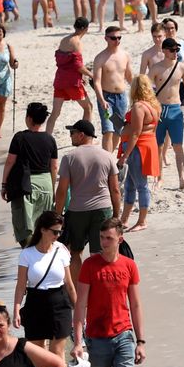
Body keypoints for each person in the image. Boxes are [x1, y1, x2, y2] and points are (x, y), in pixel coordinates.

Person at [73, 218, 145, 367]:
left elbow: (135, 304)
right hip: (97, 338)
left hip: (124, 334)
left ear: (119, 239)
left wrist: (141, 341)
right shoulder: (89, 266)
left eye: (109, 239)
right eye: (102, 238)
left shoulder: (129, 266)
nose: (103, 243)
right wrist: (77, 341)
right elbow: (80, 304)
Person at [13, 210, 77, 367]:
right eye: (55, 232)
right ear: (42, 230)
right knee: (35, 357)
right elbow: (21, 285)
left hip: (60, 303)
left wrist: (79, 311)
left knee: (58, 356)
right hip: (35, 304)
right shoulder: (27, 254)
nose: (58, 236)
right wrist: (15, 308)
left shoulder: (61, 251)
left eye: (60, 232)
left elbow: (68, 284)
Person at [54, 119, 120, 284]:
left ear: (81, 135)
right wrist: (116, 215)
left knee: (75, 252)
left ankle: (77, 290)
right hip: (102, 209)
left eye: (72, 133)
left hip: (77, 210)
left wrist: (57, 214)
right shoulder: (107, 156)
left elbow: (62, 190)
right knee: (99, 252)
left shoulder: (69, 157)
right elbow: (115, 190)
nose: (71, 136)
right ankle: (99, 286)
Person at [2, 103, 59, 245]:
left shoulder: (20, 137)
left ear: (28, 118)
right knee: (44, 226)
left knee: (25, 228)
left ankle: (31, 257)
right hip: (46, 183)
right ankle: (43, 255)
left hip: (26, 185)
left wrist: (4, 184)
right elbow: (54, 167)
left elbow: (10, 162)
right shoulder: (50, 139)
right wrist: (52, 189)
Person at [148, 38, 184, 189]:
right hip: (160, 110)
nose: (175, 52)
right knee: (158, 146)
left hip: (176, 109)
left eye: (177, 50)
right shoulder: (156, 68)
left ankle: (182, 178)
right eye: (172, 50)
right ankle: (158, 178)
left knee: (178, 145)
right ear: (164, 50)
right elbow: (147, 89)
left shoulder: (182, 68)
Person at [117, 75, 162, 232]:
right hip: (147, 144)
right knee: (130, 185)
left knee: (140, 185)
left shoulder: (139, 107)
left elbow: (135, 133)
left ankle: (142, 221)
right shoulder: (154, 105)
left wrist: (124, 155)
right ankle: (124, 219)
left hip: (138, 147)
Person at [46, 17, 94, 134]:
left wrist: (82, 76)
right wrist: (91, 75)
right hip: (72, 82)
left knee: (55, 113)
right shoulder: (77, 42)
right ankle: (86, 137)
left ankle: (47, 136)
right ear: (86, 29)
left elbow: (64, 62)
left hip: (60, 80)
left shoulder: (64, 39)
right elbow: (77, 66)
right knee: (88, 108)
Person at [90, 26, 133, 153]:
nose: (117, 41)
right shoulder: (100, 58)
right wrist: (101, 99)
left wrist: (138, 92)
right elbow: (97, 81)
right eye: (114, 38)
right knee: (108, 130)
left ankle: (110, 156)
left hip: (121, 97)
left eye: (119, 38)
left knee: (118, 130)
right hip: (106, 97)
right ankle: (107, 159)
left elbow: (130, 77)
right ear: (106, 39)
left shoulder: (125, 55)